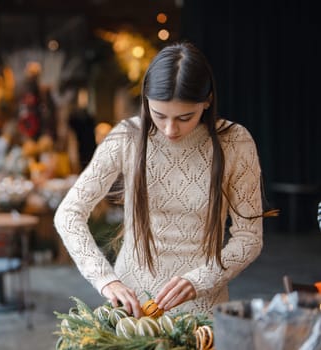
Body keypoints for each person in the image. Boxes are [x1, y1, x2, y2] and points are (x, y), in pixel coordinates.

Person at [54, 41, 272, 318]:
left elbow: (249, 238)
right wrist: (105, 279)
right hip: (131, 307)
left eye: (185, 117)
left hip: (202, 310)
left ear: (207, 101)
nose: (170, 129)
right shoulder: (126, 137)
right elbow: (68, 214)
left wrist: (200, 280)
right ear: (145, 100)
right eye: (159, 115)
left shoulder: (235, 142)